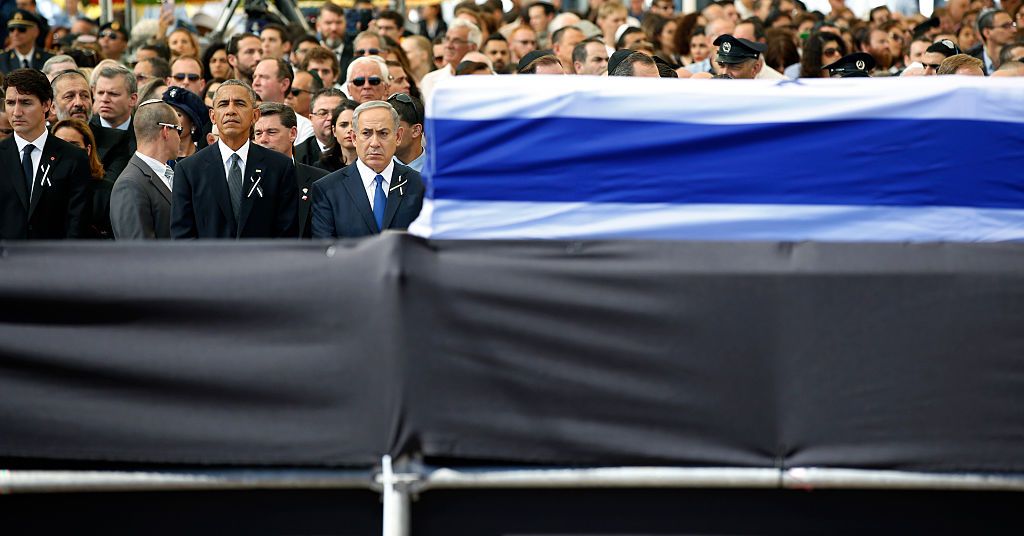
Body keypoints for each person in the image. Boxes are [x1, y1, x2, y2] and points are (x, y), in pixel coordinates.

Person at [171, 80, 299, 239]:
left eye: (239, 104)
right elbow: (183, 236)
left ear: (255, 115)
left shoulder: (280, 167)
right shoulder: (188, 170)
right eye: (223, 104)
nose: (231, 110)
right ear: (212, 116)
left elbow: (286, 234)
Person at [311, 101, 424, 239]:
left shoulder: (420, 185)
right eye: (366, 133)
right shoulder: (327, 189)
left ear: (398, 137)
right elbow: (324, 249)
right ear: (354, 137)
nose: (375, 143)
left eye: (383, 133)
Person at [0, 69, 90, 239]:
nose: (16, 112)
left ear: (46, 105)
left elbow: (76, 224)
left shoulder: (74, 158)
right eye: (11, 103)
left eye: (26, 103)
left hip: (55, 261)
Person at [254, 102, 328, 239]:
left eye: (271, 132)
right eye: (258, 133)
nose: (263, 139)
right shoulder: (244, 180)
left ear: (292, 134)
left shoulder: (321, 181)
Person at [109, 100, 180, 239]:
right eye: (178, 130)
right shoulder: (129, 185)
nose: (180, 138)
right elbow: (137, 252)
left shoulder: (170, 173)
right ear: (166, 131)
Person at [51, 117, 110, 238]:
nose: (66, 151)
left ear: (87, 150)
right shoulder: (39, 188)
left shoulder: (107, 192)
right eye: (60, 145)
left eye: (73, 146)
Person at [89, 64, 137, 182]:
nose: (105, 99)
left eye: (113, 94)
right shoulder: (85, 132)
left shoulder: (144, 134)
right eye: (100, 93)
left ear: (133, 99)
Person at [251, 58, 315, 143]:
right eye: (254, 77)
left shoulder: (304, 128)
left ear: (284, 84)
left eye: (264, 77)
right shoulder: (244, 121)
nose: (255, 83)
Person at [420, 20, 482, 102]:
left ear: (473, 47)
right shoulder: (429, 81)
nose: (448, 45)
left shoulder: (488, 80)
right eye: (447, 39)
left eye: (456, 41)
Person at [301, 88, 346, 167]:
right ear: (311, 119)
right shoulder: (298, 155)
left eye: (337, 112)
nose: (330, 118)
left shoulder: (359, 150)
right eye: (323, 113)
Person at [162, 86, 207, 160]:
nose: (170, 119)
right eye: (168, 113)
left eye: (178, 114)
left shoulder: (203, 160)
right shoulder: (156, 157)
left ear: (193, 125)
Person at [318, 99, 360, 172]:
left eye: (355, 125)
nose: (350, 129)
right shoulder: (322, 167)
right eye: (343, 125)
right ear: (334, 131)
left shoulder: (374, 164)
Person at [387, 93, 425, 172]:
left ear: (416, 130)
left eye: (393, 127)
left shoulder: (440, 171)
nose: (385, 134)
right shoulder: (376, 169)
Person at [974, 9, 1016, 74]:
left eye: (1013, 25)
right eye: (1005, 26)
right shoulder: (972, 63)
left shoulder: (1020, 57)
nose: (1014, 30)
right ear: (987, 32)